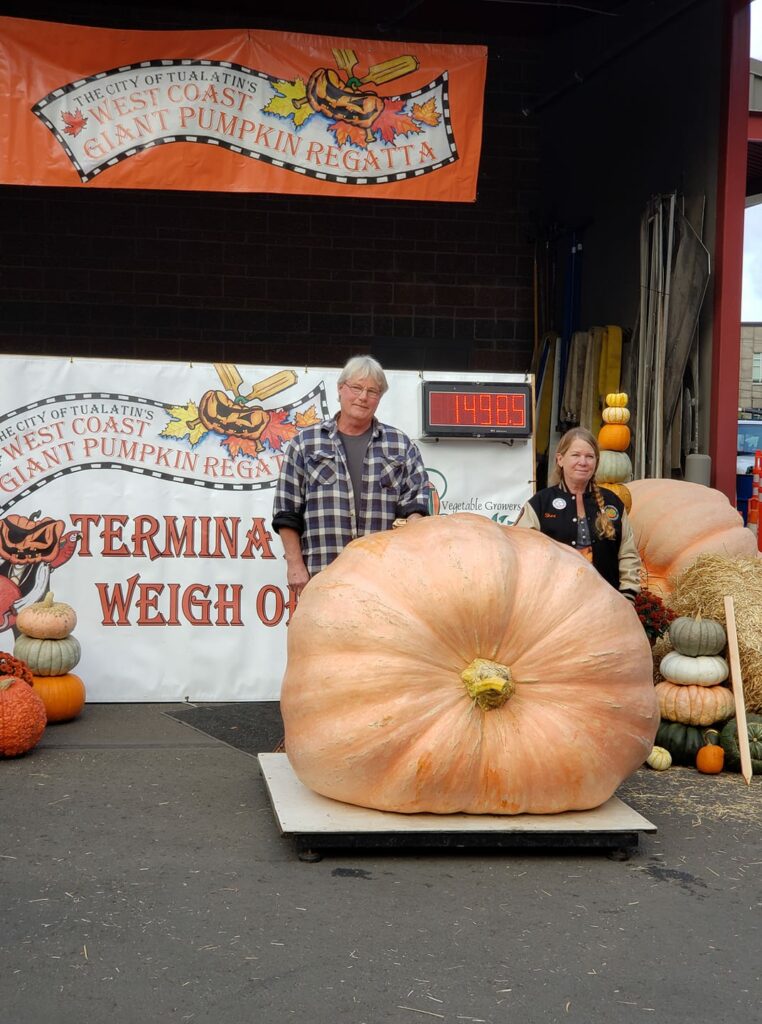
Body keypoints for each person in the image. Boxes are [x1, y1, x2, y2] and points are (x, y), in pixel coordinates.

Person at [272, 356, 430, 597]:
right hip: (322, 573)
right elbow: (287, 512)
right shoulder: (305, 443)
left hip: (384, 580)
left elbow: (416, 503)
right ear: (340, 388)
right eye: (356, 387)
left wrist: (414, 529)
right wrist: (294, 566)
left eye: (372, 391)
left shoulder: (401, 445)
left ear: (379, 398)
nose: (363, 397)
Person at [515, 427, 641, 601]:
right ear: (560, 459)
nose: (583, 462)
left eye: (589, 456)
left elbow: (628, 555)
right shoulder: (540, 504)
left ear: (596, 462)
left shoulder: (613, 503)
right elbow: (522, 552)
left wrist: (627, 596)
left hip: (607, 604)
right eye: (575, 455)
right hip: (554, 605)